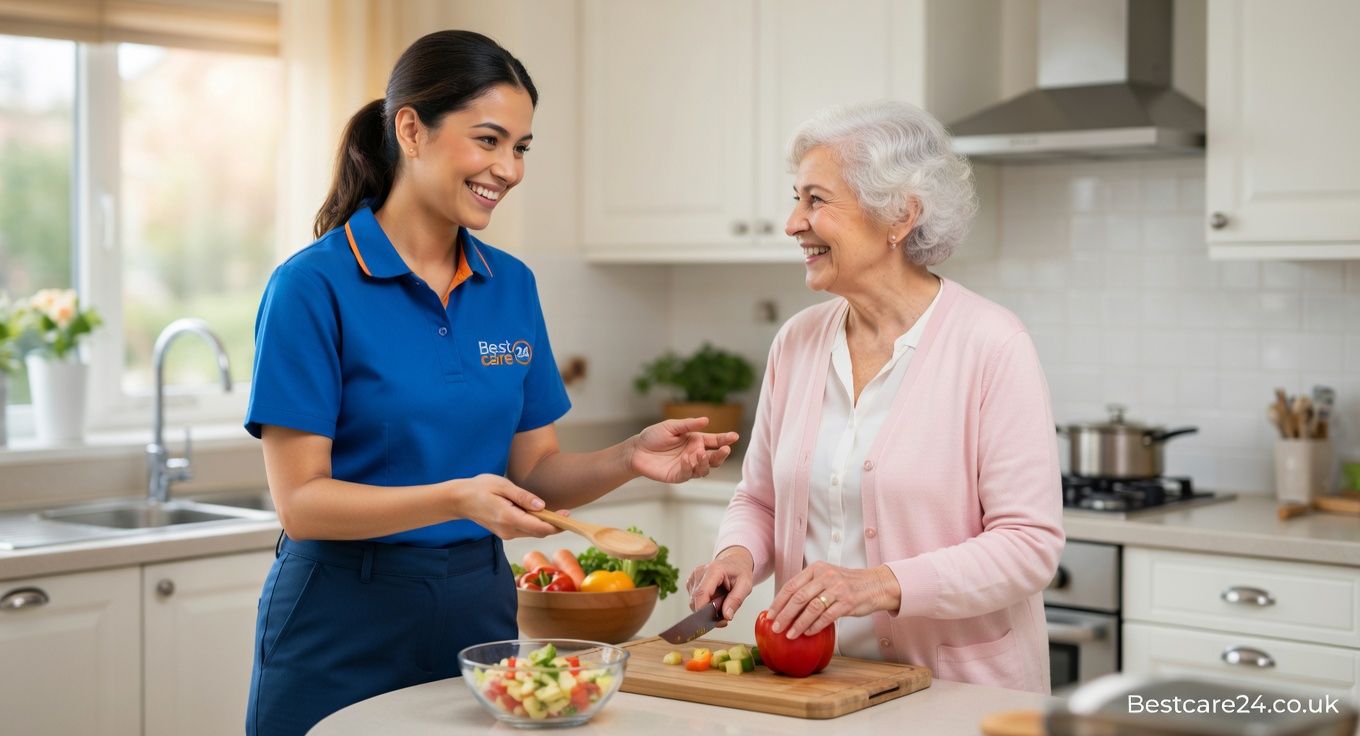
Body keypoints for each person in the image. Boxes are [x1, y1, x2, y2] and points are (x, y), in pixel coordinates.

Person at [244, 30, 737, 735]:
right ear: (411, 128)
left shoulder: (511, 285)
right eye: (488, 140)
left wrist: (629, 457)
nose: (509, 168)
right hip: (341, 622)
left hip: (476, 621)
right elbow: (302, 504)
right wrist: (457, 498)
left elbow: (535, 472)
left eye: (522, 146)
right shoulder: (311, 287)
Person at [687, 100, 1063, 693]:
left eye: (815, 200)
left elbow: (1029, 547)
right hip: (820, 687)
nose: (792, 223)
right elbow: (759, 500)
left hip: (959, 697)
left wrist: (880, 584)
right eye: (795, 198)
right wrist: (737, 556)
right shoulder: (798, 342)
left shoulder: (992, 344)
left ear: (899, 214)